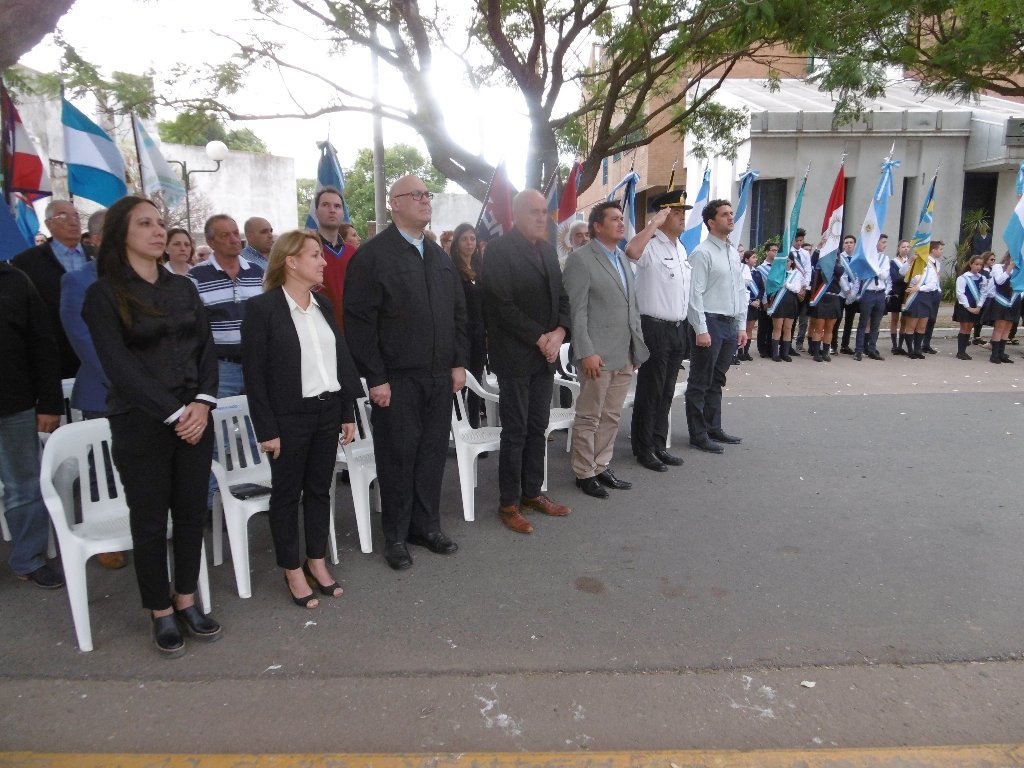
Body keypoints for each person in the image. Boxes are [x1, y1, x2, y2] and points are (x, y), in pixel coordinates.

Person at [82, 196, 222, 658]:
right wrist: (176, 413)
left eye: (161, 223)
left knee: (191, 514)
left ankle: (186, 599)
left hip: (196, 420)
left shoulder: (183, 288)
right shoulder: (104, 294)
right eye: (145, 223)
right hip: (142, 424)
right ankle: (160, 610)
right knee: (149, 522)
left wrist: (202, 403)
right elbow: (119, 367)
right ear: (121, 233)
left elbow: (205, 349)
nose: (159, 231)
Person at [344, 175, 467, 570]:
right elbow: (359, 323)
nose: (425, 200)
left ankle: (425, 526)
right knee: (397, 458)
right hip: (396, 380)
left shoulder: (439, 257)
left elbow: (458, 313)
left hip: (438, 377)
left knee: (432, 455)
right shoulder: (373, 256)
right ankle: (395, 535)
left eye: (427, 194)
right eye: (416, 195)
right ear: (394, 203)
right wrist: (375, 377)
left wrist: (458, 362)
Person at [241, 230, 360, 607]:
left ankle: (316, 561)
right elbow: (254, 377)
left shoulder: (322, 304)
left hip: (327, 411)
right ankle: (292, 569)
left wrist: (346, 411)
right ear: (290, 262)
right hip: (288, 418)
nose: (323, 262)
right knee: (287, 494)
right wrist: (267, 429)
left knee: (321, 490)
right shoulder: (262, 309)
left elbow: (339, 360)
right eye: (315, 255)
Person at [481, 191, 572, 533]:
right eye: (534, 211)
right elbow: (500, 305)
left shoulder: (547, 250)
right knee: (516, 431)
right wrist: (540, 337)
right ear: (517, 215)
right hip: (515, 355)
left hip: (545, 356)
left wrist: (560, 332)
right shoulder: (499, 251)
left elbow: (562, 296)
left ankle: (532, 492)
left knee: (538, 427)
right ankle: (508, 503)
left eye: (544, 211)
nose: (541, 217)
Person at [563, 201, 648, 498]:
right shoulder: (581, 259)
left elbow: (632, 305)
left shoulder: (622, 257)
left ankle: (601, 466)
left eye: (621, 218)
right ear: (597, 226)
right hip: (596, 355)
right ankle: (584, 472)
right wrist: (586, 351)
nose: (621, 223)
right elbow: (577, 310)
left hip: (624, 352)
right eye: (614, 219)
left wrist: (636, 347)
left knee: (611, 415)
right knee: (589, 416)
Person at [60, 208, 128, 571]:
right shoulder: (77, 281)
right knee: (103, 464)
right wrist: (131, 381)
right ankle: (105, 536)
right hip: (105, 392)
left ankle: (140, 521)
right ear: (97, 239)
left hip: (149, 391)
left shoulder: (143, 276)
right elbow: (84, 341)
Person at [0, 260, 65, 589]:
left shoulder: (14, 280)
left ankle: (28, 558)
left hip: (15, 404)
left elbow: (43, 343)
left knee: (23, 486)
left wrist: (50, 403)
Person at [624, 189, 691, 472]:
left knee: (666, 391)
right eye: (675, 212)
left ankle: (659, 444)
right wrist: (653, 223)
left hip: (677, 328)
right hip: (654, 327)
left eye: (683, 212)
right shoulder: (650, 245)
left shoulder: (680, 248)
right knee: (650, 391)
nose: (681, 216)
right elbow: (631, 251)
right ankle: (644, 448)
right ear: (662, 215)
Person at [684, 199, 747, 454]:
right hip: (709, 322)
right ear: (711, 222)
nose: (731, 217)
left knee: (717, 379)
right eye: (724, 214)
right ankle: (698, 434)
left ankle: (713, 427)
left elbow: (740, 291)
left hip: (729, 324)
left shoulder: (732, 252)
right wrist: (701, 329)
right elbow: (694, 294)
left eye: (731, 213)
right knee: (700, 380)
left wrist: (741, 325)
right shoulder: (702, 253)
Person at [189, 215, 265, 399]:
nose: (234, 239)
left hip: (257, 365)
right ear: (211, 242)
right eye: (225, 235)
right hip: (221, 369)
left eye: (235, 233)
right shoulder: (196, 277)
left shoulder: (257, 272)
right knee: (224, 416)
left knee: (259, 415)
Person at [12, 200, 86, 379]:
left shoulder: (100, 256)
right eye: (63, 216)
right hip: (54, 354)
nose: (73, 221)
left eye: (76, 215)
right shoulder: (28, 261)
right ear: (48, 224)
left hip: (96, 348)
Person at [450, 223, 488, 429]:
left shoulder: (480, 269)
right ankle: (459, 429)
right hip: (460, 333)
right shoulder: (452, 270)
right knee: (460, 382)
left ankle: (474, 425)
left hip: (479, 333)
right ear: (457, 243)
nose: (469, 243)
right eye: (464, 239)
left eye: (472, 238)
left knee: (476, 381)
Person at [313, 186, 355, 330]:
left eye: (337, 206)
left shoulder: (352, 252)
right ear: (316, 212)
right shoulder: (304, 250)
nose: (332, 210)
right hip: (318, 327)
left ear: (343, 213)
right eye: (325, 205)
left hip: (351, 329)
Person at [901, 240, 943, 359]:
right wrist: (910, 261)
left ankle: (918, 349)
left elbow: (932, 284)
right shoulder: (914, 262)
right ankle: (910, 350)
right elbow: (902, 273)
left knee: (922, 325)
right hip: (914, 297)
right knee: (911, 325)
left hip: (926, 296)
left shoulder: (930, 266)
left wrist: (919, 287)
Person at [853, 234, 890, 361]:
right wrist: (877, 270)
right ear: (876, 243)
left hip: (880, 293)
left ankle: (872, 349)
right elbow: (861, 274)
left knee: (876, 324)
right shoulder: (866, 258)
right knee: (863, 323)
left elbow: (884, 275)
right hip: (868, 293)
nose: (885, 245)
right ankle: (858, 350)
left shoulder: (885, 258)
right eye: (883, 242)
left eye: (885, 242)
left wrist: (875, 269)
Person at [806, 246, 843, 363]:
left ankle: (826, 352)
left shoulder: (838, 267)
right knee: (819, 327)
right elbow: (813, 261)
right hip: (821, 297)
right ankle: (816, 352)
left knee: (829, 328)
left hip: (833, 298)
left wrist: (832, 260)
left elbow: (839, 271)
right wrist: (819, 250)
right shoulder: (820, 265)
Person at [984, 252, 1019, 364]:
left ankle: (1001, 353)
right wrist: (1009, 269)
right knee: (999, 327)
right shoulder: (998, 267)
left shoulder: (1020, 270)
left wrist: (1018, 296)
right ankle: (994, 355)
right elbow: (999, 281)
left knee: (1008, 328)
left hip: (1014, 300)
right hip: (1001, 300)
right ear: (1008, 257)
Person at [769, 254, 804, 362]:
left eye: (788, 260)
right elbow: (772, 286)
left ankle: (785, 353)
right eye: (784, 260)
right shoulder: (777, 272)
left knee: (788, 328)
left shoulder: (796, 273)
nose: (786, 262)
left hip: (790, 301)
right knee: (777, 327)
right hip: (779, 301)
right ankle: (775, 353)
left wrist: (786, 284)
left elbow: (797, 288)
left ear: (792, 261)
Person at [953, 255, 986, 360]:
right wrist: (968, 307)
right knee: (964, 327)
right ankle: (960, 352)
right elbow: (960, 293)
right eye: (976, 264)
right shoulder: (963, 278)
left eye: (980, 265)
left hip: (975, 306)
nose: (978, 267)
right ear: (971, 264)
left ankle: (964, 351)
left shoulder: (982, 278)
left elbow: (984, 293)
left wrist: (979, 306)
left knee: (969, 328)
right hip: (964, 306)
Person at [751, 242, 778, 358]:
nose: (775, 252)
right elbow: (762, 286)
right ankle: (762, 348)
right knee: (763, 325)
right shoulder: (760, 269)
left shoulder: (778, 267)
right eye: (773, 250)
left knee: (773, 326)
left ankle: (771, 348)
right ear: (767, 252)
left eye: (777, 250)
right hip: (765, 300)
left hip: (777, 300)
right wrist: (765, 301)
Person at [836, 235, 859, 354]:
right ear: (843, 245)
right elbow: (840, 276)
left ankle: (845, 345)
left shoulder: (858, 258)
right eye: (846, 242)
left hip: (853, 294)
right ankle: (833, 345)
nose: (848, 244)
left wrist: (853, 292)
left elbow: (859, 276)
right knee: (837, 319)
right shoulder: (840, 258)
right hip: (841, 293)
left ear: (854, 244)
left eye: (851, 242)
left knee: (849, 321)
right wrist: (846, 289)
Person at [888, 239, 910, 354]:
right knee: (894, 319)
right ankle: (894, 345)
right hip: (896, 293)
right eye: (903, 247)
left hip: (907, 293)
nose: (905, 249)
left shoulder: (911, 262)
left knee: (904, 320)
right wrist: (906, 278)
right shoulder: (893, 262)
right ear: (898, 248)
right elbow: (895, 278)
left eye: (907, 247)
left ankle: (901, 345)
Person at [790, 229, 811, 353]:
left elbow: (808, 270)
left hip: (804, 289)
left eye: (801, 240)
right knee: (792, 318)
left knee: (803, 319)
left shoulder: (805, 253)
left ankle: (799, 343)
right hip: (793, 289)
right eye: (797, 240)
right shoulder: (789, 252)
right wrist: (797, 289)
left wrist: (804, 287)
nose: (799, 243)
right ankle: (788, 344)